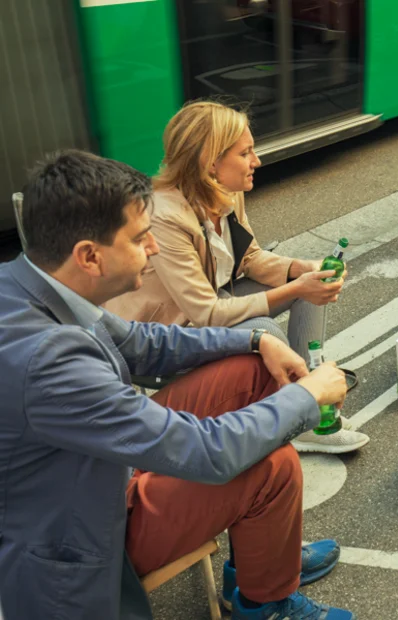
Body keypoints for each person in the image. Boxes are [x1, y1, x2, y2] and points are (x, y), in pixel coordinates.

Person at [0, 150, 355, 620]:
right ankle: (262, 602)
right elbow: (205, 452)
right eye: (140, 238)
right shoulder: (47, 360)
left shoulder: (29, 286)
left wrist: (253, 341)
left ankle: (260, 558)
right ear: (89, 256)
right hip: (87, 529)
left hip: (98, 467)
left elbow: (145, 342)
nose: (153, 248)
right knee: (272, 467)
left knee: (251, 370)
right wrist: (308, 395)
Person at [105, 100, 369, 455]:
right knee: (264, 330)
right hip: (166, 333)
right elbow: (206, 314)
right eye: (246, 153)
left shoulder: (224, 193)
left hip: (208, 304)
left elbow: (250, 258)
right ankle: (296, 419)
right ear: (211, 162)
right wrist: (293, 286)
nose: (257, 161)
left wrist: (301, 269)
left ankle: (314, 404)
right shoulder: (165, 216)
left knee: (313, 285)